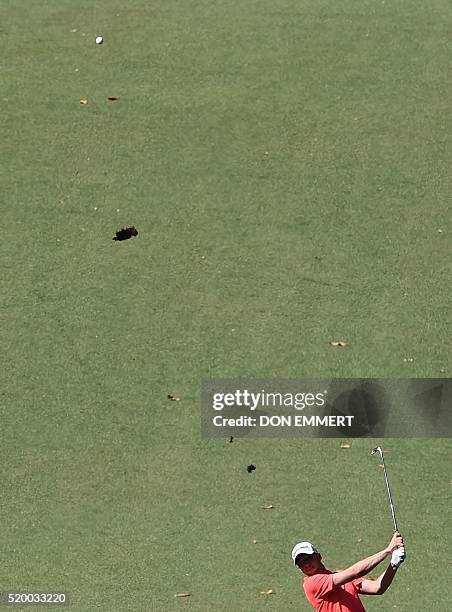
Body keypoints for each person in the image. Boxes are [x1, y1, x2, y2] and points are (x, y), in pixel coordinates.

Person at [291, 532, 405, 611]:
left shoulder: (341, 578)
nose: (306, 564)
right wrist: (387, 550)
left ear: (318, 556)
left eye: (308, 558)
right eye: (301, 563)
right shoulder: (311, 583)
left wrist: (394, 562)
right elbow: (354, 572)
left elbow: (377, 588)